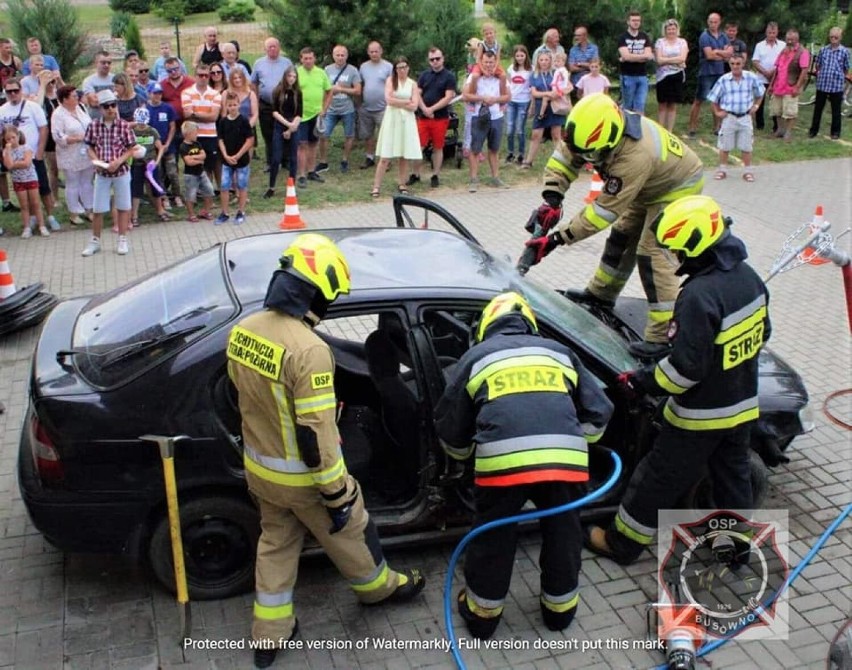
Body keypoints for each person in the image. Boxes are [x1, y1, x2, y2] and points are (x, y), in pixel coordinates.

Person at [227, 233, 426, 668]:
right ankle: (380, 589)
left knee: (276, 543)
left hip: (261, 472)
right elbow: (316, 436)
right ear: (314, 293)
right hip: (304, 479)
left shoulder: (243, 331)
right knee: (353, 532)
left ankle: (269, 632)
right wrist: (338, 495)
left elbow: (238, 399)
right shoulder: (310, 350)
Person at [585, 195, 771, 566]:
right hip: (741, 407)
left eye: (675, 249)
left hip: (698, 417)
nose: (673, 257)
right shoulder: (749, 279)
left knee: (654, 479)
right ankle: (737, 550)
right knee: (732, 481)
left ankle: (621, 544)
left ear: (695, 245)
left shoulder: (698, 295)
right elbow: (761, 334)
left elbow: (684, 371)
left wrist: (642, 382)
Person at [434, 291, 613, 640]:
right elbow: (600, 411)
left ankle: (482, 618)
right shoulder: (560, 353)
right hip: (565, 463)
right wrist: (577, 442)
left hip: (503, 467)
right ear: (529, 325)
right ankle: (560, 613)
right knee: (564, 531)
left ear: (485, 328)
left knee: (494, 536)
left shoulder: (476, 358)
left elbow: (450, 428)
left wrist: (461, 460)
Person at [522, 94, 704, 357]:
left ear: (610, 140)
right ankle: (601, 295)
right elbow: (563, 160)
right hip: (648, 186)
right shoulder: (586, 130)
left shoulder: (634, 155)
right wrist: (552, 198)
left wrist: (555, 241)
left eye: (591, 156)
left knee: (652, 253)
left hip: (677, 187)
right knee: (622, 237)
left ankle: (664, 336)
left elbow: (602, 213)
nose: (586, 160)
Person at [82, 89, 138, 257]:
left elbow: (131, 148)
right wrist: (96, 161)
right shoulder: (93, 125)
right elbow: (89, 147)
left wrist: (118, 161)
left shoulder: (123, 126)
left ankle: (122, 239)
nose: (111, 109)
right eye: (106, 106)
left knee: (123, 206)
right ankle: (95, 241)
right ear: (100, 108)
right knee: (98, 208)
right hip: (102, 172)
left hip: (120, 171)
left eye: (113, 105)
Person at [0, 76, 59, 232]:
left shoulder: (32, 107)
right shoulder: (2, 110)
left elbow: (43, 129)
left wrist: (39, 151)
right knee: (23, 189)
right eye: (9, 91)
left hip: (33, 154)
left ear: (21, 90)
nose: (13, 94)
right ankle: (32, 219)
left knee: (43, 188)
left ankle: (50, 216)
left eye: (15, 90)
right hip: (15, 156)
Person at [707, 54, 764, 182]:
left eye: (738, 64)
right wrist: (717, 112)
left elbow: (760, 93)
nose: (735, 66)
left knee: (747, 146)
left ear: (743, 64)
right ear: (729, 64)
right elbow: (713, 98)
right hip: (729, 117)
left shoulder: (751, 77)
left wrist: (756, 105)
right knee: (724, 145)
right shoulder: (724, 80)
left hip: (745, 117)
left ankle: (747, 171)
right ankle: (722, 170)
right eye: (732, 64)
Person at [370, 56, 421, 198]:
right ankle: (376, 186)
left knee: (403, 155)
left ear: (408, 68)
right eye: (399, 67)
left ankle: (402, 183)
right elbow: (389, 100)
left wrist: (401, 102)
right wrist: (405, 102)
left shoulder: (412, 84)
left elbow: (415, 105)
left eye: (404, 67)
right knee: (385, 156)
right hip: (392, 119)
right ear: (395, 69)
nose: (402, 70)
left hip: (406, 121)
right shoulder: (391, 81)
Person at [408, 46, 456, 188]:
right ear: (429, 61)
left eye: (437, 59)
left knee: (438, 147)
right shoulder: (424, 75)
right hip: (423, 117)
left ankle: (435, 174)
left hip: (440, 118)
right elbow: (417, 93)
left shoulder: (449, 76)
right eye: (432, 59)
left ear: (443, 59)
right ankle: (415, 174)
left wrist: (432, 109)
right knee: (419, 147)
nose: (435, 61)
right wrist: (424, 108)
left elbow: (448, 97)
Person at [463, 50, 509, 192]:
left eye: (491, 62)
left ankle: (495, 177)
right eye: (486, 62)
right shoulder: (474, 76)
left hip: (496, 116)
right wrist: (482, 98)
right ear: (481, 63)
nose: (489, 65)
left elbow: (507, 97)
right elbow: (466, 95)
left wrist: (495, 99)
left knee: (494, 148)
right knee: (475, 148)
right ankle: (473, 179)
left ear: (495, 63)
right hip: (478, 115)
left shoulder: (500, 77)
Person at [51, 85, 93, 225]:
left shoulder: (81, 108)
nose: (77, 98)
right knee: (73, 183)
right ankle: (74, 213)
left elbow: (90, 125)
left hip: (86, 152)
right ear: (65, 99)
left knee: (87, 182)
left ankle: (89, 209)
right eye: (73, 96)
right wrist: (76, 138)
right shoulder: (58, 114)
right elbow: (57, 136)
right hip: (69, 154)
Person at [316, 45, 361, 174]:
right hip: (331, 108)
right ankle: (323, 162)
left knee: (349, 135)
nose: (340, 57)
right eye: (338, 55)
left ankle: (345, 160)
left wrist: (342, 89)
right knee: (324, 135)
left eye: (343, 55)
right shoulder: (327, 69)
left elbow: (358, 90)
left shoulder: (352, 70)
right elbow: (323, 88)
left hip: (347, 109)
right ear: (333, 55)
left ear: (346, 56)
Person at [687, 12, 732, 137]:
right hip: (706, 73)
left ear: (719, 22)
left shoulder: (723, 36)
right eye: (711, 22)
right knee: (699, 101)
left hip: (720, 73)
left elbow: (729, 53)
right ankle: (692, 127)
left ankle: (717, 128)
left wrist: (717, 52)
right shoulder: (704, 36)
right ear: (708, 22)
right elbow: (709, 55)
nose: (713, 24)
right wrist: (721, 54)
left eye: (715, 22)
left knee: (717, 101)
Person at [251, 38, 292, 172]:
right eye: (269, 47)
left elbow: (293, 80)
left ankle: (285, 160)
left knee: (285, 130)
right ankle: (271, 162)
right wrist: (255, 101)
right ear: (265, 49)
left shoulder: (287, 62)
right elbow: (254, 83)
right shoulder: (258, 63)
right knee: (268, 133)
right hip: (265, 104)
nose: (272, 49)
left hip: (283, 104)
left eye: (274, 46)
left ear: (279, 47)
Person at [2, 124, 47, 237]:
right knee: (24, 205)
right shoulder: (5, 152)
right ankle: (27, 227)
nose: (11, 140)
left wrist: (15, 164)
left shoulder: (26, 148)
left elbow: (27, 163)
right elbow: (8, 165)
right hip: (18, 181)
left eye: (13, 137)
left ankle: (42, 225)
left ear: (18, 136)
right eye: (8, 139)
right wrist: (8, 151)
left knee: (35, 203)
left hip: (31, 179)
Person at [295, 47, 331, 188]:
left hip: (316, 115)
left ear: (314, 58)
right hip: (301, 115)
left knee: (313, 144)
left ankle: (311, 171)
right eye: (305, 58)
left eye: (310, 58)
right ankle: (302, 175)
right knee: (302, 144)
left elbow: (329, 92)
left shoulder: (321, 73)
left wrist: (324, 108)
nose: (308, 61)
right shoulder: (296, 73)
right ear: (301, 59)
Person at [216, 91, 253, 225]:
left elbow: (249, 140)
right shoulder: (223, 122)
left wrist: (238, 155)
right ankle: (224, 212)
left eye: (235, 105)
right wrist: (226, 155)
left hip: (241, 160)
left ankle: (241, 211)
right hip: (227, 160)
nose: (232, 107)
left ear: (239, 105)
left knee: (241, 185)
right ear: (226, 106)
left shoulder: (243, 121)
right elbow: (220, 139)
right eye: (230, 105)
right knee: (224, 186)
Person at [182, 63, 222, 187]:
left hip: (210, 135)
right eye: (200, 75)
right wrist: (205, 115)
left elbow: (214, 117)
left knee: (210, 166)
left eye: (206, 75)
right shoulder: (187, 93)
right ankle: (199, 192)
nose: (203, 78)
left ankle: (209, 193)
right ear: (195, 76)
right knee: (195, 165)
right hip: (193, 136)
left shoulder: (215, 94)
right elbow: (186, 115)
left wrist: (194, 113)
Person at [808, 27, 850, 141]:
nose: (833, 39)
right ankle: (813, 130)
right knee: (818, 109)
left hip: (836, 86)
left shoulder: (844, 51)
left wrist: (838, 76)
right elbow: (818, 65)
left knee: (836, 111)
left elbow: (846, 69)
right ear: (829, 37)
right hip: (822, 84)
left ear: (840, 38)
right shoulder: (823, 50)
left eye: (836, 37)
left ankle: (835, 132)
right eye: (831, 37)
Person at [768, 29, 809, 141]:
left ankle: (788, 132)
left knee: (790, 111)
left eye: (792, 39)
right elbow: (777, 69)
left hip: (791, 86)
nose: (789, 41)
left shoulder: (803, 52)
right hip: (778, 85)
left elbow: (804, 71)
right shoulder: (783, 51)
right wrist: (771, 85)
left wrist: (797, 87)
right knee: (777, 110)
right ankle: (780, 130)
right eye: (788, 39)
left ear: (797, 39)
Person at [266, 67, 301, 199]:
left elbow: (299, 113)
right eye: (289, 76)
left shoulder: (298, 92)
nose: (292, 79)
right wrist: (287, 126)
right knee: (276, 158)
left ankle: (292, 187)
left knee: (293, 158)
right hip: (280, 125)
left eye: (294, 77)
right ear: (285, 77)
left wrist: (292, 128)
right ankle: (271, 187)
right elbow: (275, 112)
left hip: (293, 125)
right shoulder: (278, 91)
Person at [129, 106, 168, 225]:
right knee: (136, 190)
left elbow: (160, 147)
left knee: (155, 187)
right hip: (137, 164)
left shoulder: (152, 131)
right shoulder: (132, 132)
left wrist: (157, 161)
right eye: (139, 123)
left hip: (151, 165)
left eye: (143, 123)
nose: (141, 126)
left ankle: (160, 210)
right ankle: (134, 215)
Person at [357, 41, 392, 170]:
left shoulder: (388, 66)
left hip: (383, 108)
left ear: (381, 51)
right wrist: (360, 104)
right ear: (368, 52)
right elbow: (360, 85)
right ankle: (369, 158)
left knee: (385, 135)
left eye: (376, 51)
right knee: (368, 135)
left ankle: (386, 160)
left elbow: (393, 86)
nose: (374, 54)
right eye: (371, 52)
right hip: (366, 107)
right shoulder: (363, 67)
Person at [521, 51, 560, 169]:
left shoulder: (555, 73)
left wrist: (551, 94)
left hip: (554, 106)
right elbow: (534, 92)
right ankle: (528, 161)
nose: (543, 62)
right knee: (536, 134)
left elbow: (559, 89)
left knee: (556, 135)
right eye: (541, 60)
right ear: (537, 61)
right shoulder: (534, 75)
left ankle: (559, 161)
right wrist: (547, 93)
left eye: (546, 60)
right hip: (539, 107)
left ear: (550, 61)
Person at [147, 82, 182, 209]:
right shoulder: (146, 109)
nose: (158, 96)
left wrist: (167, 143)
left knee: (172, 172)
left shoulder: (168, 108)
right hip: (154, 149)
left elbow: (172, 127)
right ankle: (164, 197)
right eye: (155, 93)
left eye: (160, 93)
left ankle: (177, 195)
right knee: (159, 172)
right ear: (149, 94)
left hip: (168, 147)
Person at [654, 19, 688, 132]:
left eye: (673, 29)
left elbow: (683, 58)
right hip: (662, 77)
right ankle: (660, 129)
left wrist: (666, 59)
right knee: (662, 104)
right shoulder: (660, 42)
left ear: (677, 30)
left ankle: (669, 131)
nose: (671, 31)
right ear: (665, 30)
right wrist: (676, 60)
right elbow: (659, 60)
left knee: (672, 104)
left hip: (677, 76)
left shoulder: (682, 42)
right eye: (669, 29)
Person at [617, 11, 653, 114]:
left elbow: (649, 55)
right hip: (628, 76)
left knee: (640, 106)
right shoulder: (623, 37)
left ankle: (637, 129)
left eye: (638, 20)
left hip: (642, 76)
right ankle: (626, 129)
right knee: (627, 107)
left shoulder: (644, 36)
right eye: (633, 20)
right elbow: (626, 56)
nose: (636, 22)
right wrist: (642, 56)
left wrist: (631, 57)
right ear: (628, 22)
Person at [751, 22, 784, 132]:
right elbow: (755, 62)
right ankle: (760, 124)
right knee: (760, 101)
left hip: (777, 78)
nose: (771, 35)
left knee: (775, 102)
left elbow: (784, 62)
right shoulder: (759, 45)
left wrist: (774, 73)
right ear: (766, 32)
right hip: (761, 77)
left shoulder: (782, 45)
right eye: (770, 32)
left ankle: (776, 125)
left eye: (774, 32)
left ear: (777, 32)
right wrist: (766, 72)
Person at [179, 120, 214, 222]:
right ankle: (191, 214)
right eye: (195, 133)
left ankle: (205, 211)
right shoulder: (183, 147)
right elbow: (188, 162)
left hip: (201, 172)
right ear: (188, 134)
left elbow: (204, 155)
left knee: (209, 190)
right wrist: (199, 160)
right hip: (190, 175)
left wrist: (194, 158)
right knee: (191, 195)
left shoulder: (197, 144)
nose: (196, 135)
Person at [504, 45, 531, 165]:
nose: (520, 58)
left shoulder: (531, 69)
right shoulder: (511, 68)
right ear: (514, 57)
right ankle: (510, 153)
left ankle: (521, 154)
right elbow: (508, 84)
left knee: (520, 130)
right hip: (511, 101)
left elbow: (532, 86)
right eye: (517, 56)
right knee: (510, 129)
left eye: (522, 55)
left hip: (523, 102)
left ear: (526, 56)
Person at [81, 51, 115, 120]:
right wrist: (113, 97)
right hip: (95, 121)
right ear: (96, 63)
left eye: (109, 63)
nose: (106, 65)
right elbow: (94, 102)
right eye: (103, 62)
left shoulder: (115, 79)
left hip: (114, 121)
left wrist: (99, 96)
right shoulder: (89, 81)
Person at [568, 25, 598, 96]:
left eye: (578, 35)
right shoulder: (573, 50)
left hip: (591, 82)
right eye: (575, 35)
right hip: (576, 83)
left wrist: (579, 64)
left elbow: (595, 65)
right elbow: (571, 68)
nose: (576, 37)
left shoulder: (593, 48)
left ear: (585, 36)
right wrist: (588, 65)